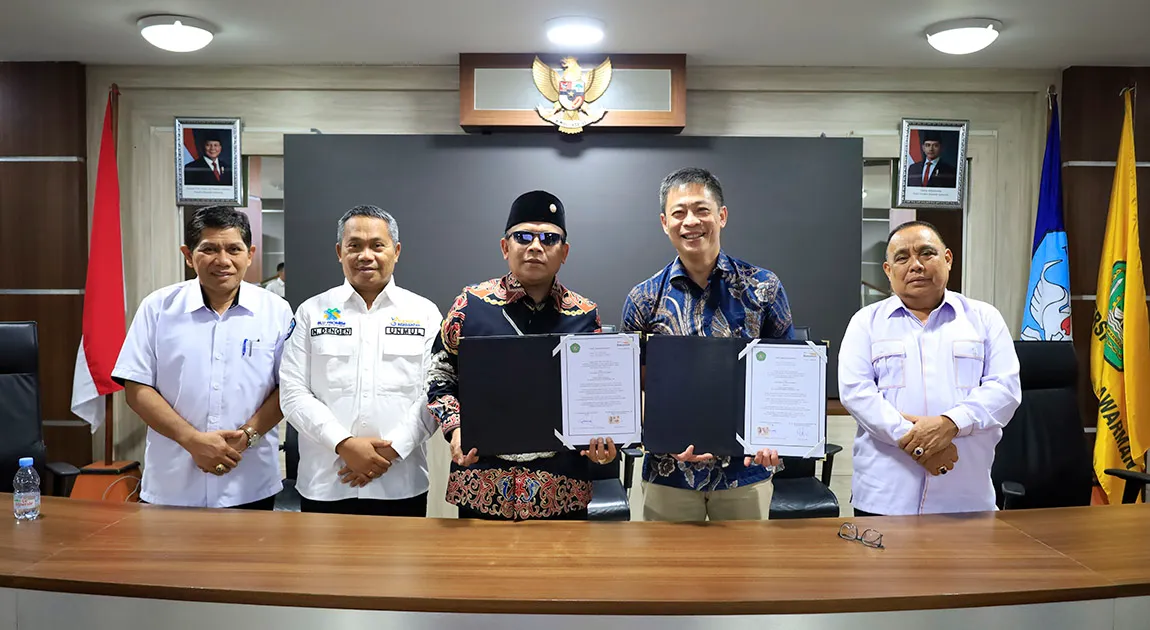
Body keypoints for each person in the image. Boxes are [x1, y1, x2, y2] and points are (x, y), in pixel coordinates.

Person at [427, 190, 618, 521]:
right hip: (482, 486)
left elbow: (598, 395)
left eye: (549, 238)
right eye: (523, 237)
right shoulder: (470, 305)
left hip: (561, 490)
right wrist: (455, 429)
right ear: (505, 247)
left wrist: (606, 440)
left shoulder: (585, 315)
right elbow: (440, 375)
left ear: (564, 252)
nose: (536, 246)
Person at [621, 167, 789, 522]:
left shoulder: (763, 288)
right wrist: (659, 437)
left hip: (745, 472)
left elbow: (786, 375)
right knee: (669, 561)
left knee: (747, 561)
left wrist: (779, 436)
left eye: (701, 210)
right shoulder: (643, 299)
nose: (690, 222)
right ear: (664, 223)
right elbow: (629, 386)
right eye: (679, 213)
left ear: (721, 216)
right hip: (669, 475)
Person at [111, 206, 292, 509]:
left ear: (250, 254)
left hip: (249, 480)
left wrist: (247, 436)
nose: (223, 260)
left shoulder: (276, 310)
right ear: (188, 254)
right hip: (172, 483)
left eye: (234, 249)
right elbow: (136, 388)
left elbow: (287, 388)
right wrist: (192, 440)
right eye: (209, 249)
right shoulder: (158, 308)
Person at [838, 221, 1021, 516]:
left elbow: (1005, 390)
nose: (916, 265)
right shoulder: (865, 322)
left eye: (926, 253)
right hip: (885, 498)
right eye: (902, 257)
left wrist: (950, 423)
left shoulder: (985, 318)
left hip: (965, 496)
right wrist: (921, 443)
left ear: (947, 259)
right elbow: (857, 394)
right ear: (888, 270)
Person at [279, 205, 442, 516]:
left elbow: (435, 392)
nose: (366, 255)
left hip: (400, 482)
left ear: (396, 251)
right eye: (354, 246)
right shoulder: (312, 312)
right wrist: (344, 444)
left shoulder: (424, 313)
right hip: (326, 483)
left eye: (377, 245)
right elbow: (293, 392)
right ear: (339, 252)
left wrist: (390, 452)